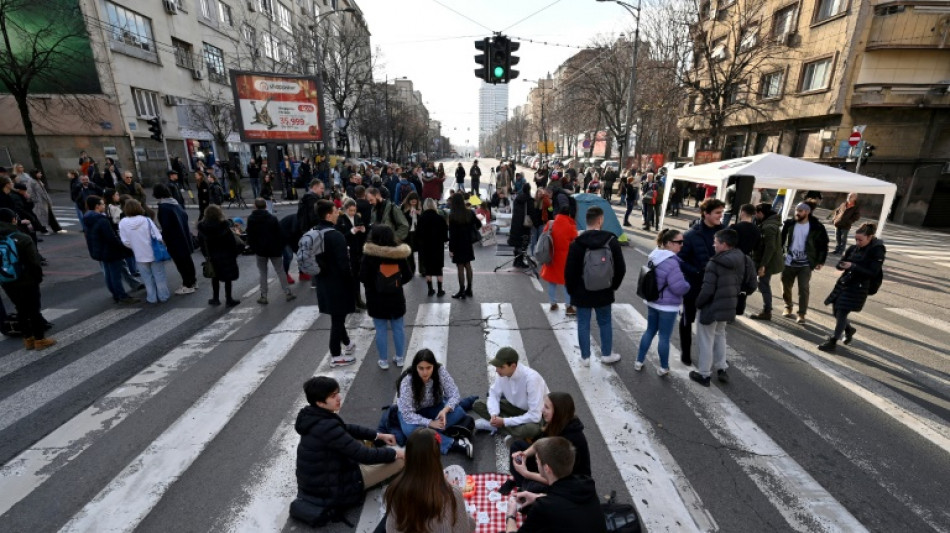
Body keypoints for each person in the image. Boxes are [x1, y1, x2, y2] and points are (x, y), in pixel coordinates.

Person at [295, 376, 404, 518]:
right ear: (320, 403)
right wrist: (397, 454)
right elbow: (364, 455)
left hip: (318, 483)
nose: (339, 398)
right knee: (400, 461)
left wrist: (378, 435)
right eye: (333, 396)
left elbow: (346, 428)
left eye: (337, 393)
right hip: (334, 489)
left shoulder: (313, 416)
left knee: (357, 439)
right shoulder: (326, 427)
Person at [689, 229, 756, 387]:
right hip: (729, 305)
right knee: (720, 335)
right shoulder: (745, 259)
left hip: (711, 307)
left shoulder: (715, 263)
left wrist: (697, 304)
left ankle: (704, 374)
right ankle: (721, 368)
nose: (714, 245)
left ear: (724, 244)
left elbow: (707, 290)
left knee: (705, 339)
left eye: (716, 242)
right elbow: (752, 285)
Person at [564, 206, 626, 366]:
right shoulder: (611, 241)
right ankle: (606, 354)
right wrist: (613, 286)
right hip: (604, 291)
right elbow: (621, 268)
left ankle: (585, 358)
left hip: (582, 291)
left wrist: (572, 292)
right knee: (605, 322)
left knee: (583, 324)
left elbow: (569, 271)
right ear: (600, 220)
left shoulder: (577, 243)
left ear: (587, 221)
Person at [504, 437, 606, 533]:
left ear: (547, 469)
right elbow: (567, 502)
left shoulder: (543, 507)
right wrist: (537, 497)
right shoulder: (587, 483)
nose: (536, 463)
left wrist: (511, 515)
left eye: (537, 461)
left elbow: (555, 505)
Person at [383, 428, 474, 533]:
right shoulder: (451, 494)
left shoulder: (394, 490)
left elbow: (390, 529)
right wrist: (470, 520)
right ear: (436, 457)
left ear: (407, 454)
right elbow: (463, 529)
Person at [819, 223, 885, 352]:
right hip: (844, 282)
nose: (857, 242)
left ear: (869, 237)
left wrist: (853, 266)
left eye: (860, 240)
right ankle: (849, 329)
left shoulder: (877, 250)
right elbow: (841, 263)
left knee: (842, 312)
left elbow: (873, 272)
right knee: (836, 312)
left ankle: (833, 341)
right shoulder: (853, 248)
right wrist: (841, 265)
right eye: (856, 239)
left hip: (859, 287)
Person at [394, 350, 474, 457]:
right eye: (421, 368)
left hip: (434, 407)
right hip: (412, 415)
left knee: (459, 411)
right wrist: (430, 423)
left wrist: (445, 410)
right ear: (415, 367)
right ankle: (452, 444)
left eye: (428, 368)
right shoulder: (407, 381)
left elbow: (454, 393)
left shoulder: (440, 371)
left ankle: (426, 434)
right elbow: (407, 414)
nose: (425, 372)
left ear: (434, 366)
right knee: (411, 432)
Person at [507, 392, 590, 494]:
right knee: (517, 446)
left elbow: (555, 479)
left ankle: (526, 488)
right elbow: (540, 443)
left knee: (534, 487)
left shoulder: (570, 439)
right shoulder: (557, 423)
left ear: (558, 412)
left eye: (547, 407)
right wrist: (524, 454)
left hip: (569, 483)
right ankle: (522, 485)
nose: (542, 410)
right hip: (551, 467)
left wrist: (526, 473)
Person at [635, 229, 691, 376]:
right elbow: (678, 288)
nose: (682, 245)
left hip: (653, 301)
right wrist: (688, 284)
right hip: (667, 306)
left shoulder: (654, 256)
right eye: (679, 242)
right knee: (664, 337)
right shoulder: (672, 263)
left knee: (650, 331)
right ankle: (663, 367)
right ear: (669, 243)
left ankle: (639, 361)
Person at [678, 198, 725, 366]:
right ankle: (685, 352)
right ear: (706, 213)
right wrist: (696, 271)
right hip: (693, 285)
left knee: (714, 324)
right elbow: (680, 260)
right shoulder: (690, 235)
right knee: (687, 319)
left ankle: (716, 359)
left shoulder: (724, 233)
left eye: (721, 212)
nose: (721, 216)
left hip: (716, 287)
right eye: (717, 212)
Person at [0, 208, 56, 349]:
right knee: (34, 310)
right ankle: (39, 339)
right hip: (26, 279)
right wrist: (38, 277)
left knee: (20, 309)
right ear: (13, 220)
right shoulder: (22, 238)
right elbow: (34, 262)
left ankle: (28, 339)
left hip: (7, 280)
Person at [361, 225, 413, 369]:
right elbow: (408, 275)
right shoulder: (398, 254)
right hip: (395, 297)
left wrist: (375, 285)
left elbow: (363, 276)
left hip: (375, 297)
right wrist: (396, 284)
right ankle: (400, 358)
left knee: (380, 329)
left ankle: (383, 360)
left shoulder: (369, 255)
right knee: (398, 327)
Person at [312, 200, 358, 366]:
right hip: (338, 284)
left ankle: (347, 343)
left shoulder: (314, 232)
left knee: (337, 315)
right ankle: (336, 355)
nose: (338, 213)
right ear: (328, 215)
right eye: (335, 211)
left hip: (323, 282)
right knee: (338, 319)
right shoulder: (336, 236)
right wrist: (351, 282)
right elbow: (344, 265)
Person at [472, 347, 549, 441]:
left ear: (513, 366)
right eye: (497, 366)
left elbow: (535, 416)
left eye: (501, 367)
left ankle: (498, 427)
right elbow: (494, 393)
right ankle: (510, 431)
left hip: (536, 415)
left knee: (532, 429)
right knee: (478, 405)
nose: (497, 370)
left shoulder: (532, 379)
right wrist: (494, 414)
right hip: (515, 408)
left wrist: (505, 421)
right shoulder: (503, 374)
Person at [82, 196, 139, 305]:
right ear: (97, 206)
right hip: (110, 251)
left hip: (100, 250)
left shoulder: (88, 218)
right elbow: (111, 238)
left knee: (108, 274)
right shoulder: (101, 220)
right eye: (102, 204)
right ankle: (122, 296)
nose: (104, 206)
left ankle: (115, 294)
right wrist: (123, 247)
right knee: (115, 275)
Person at [780, 202, 829, 324]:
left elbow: (823, 245)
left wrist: (821, 261)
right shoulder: (790, 224)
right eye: (796, 210)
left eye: (800, 211)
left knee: (803, 288)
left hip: (806, 263)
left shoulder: (817, 227)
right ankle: (788, 306)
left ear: (807, 212)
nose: (797, 213)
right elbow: (781, 240)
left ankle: (801, 314)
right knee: (786, 286)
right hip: (788, 261)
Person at [119, 199, 171, 304]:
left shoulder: (122, 223)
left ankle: (152, 297)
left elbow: (125, 241)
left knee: (147, 278)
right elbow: (157, 236)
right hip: (154, 253)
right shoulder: (146, 220)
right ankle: (163, 296)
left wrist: (135, 247)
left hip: (139, 255)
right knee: (159, 276)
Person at [246, 198, 295, 304]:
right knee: (280, 271)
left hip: (260, 250)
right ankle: (288, 292)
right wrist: (280, 246)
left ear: (255, 206)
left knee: (263, 272)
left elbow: (250, 235)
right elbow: (280, 234)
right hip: (274, 249)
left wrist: (254, 248)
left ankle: (263, 296)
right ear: (265, 206)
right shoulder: (272, 218)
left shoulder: (251, 219)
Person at [153, 184, 197, 295]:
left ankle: (187, 285)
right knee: (188, 261)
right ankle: (193, 281)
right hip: (184, 237)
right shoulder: (175, 203)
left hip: (175, 241)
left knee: (181, 264)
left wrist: (164, 239)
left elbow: (166, 227)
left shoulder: (163, 207)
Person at [197, 204, 241, 307]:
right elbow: (232, 242)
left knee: (215, 277)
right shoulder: (224, 226)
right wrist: (234, 254)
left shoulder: (202, 228)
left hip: (212, 256)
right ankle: (229, 299)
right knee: (228, 278)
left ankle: (215, 298)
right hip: (226, 255)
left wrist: (206, 255)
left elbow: (201, 244)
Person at [749, 203, 784, 320]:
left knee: (763, 284)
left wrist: (763, 265)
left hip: (767, 261)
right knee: (762, 284)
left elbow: (770, 247)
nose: (755, 216)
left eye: (756, 214)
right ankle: (767, 310)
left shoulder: (769, 227)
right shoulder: (768, 223)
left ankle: (767, 311)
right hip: (767, 260)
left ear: (761, 213)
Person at [539, 205, 577, 314]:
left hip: (551, 256)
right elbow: (575, 239)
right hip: (565, 258)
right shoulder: (570, 226)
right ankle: (569, 306)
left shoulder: (551, 223)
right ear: (569, 215)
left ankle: (552, 303)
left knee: (552, 282)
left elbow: (544, 235)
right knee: (567, 282)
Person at [446, 193, 481, 299]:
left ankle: (461, 290)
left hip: (457, 244)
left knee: (460, 267)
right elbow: (478, 224)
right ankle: (469, 289)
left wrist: (451, 249)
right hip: (467, 242)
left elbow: (452, 234)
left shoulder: (452, 215)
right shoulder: (469, 212)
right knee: (468, 265)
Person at [337, 198, 368, 308]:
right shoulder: (340, 219)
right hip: (347, 251)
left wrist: (363, 230)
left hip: (358, 251)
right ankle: (352, 302)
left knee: (357, 276)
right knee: (350, 278)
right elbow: (339, 237)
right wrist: (351, 232)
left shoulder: (357, 217)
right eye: (350, 210)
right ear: (345, 209)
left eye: (354, 210)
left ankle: (358, 300)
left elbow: (363, 230)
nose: (353, 212)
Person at [416, 198, 448, 297]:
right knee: (438, 269)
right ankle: (440, 290)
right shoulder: (440, 218)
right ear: (434, 205)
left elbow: (418, 234)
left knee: (428, 269)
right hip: (437, 247)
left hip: (425, 247)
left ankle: (430, 289)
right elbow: (445, 235)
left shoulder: (421, 218)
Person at [508, 183, 533, 268]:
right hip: (524, 225)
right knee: (523, 244)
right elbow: (531, 213)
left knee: (517, 244)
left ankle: (516, 260)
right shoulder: (529, 200)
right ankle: (520, 261)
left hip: (515, 224)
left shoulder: (517, 199)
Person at [400, 192, 422, 275]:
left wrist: (419, 214)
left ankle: (422, 269)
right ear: (408, 201)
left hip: (417, 232)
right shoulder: (404, 207)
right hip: (408, 232)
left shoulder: (420, 207)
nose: (413, 203)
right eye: (412, 201)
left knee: (421, 250)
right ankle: (411, 270)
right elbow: (401, 219)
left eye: (415, 202)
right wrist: (409, 213)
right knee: (409, 251)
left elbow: (422, 219)